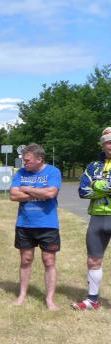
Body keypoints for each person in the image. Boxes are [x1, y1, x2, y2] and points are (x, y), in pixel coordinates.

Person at [10, 143, 61, 310]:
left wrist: (26, 188)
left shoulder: (53, 172)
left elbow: (51, 193)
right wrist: (39, 192)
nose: (24, 163)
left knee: (49, 261)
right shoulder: (21, 173)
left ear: (39, 159)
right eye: (24, 160)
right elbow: (13, 195)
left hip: (48, 224)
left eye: (27, 160)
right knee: (25, 260)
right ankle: (22, 295)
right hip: (24, 224)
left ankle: (50, 299)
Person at [72, 128, 111, 310]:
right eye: (107, 141)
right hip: (97, 218)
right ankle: (93, 300)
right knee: (93, 260)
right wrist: (105, 187)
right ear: (103, 144)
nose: (110, 145)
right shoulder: (93, 166)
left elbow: (91, 188)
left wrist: (95, 184)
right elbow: (83, 191)